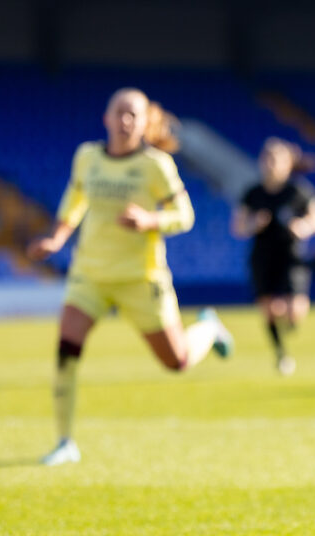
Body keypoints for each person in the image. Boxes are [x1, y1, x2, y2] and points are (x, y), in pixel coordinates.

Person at [27, 88, 233, 466]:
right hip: (89, 273)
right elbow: (75, 200)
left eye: (132, 115)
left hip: (141, 278)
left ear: (143, 123)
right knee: (66, 352)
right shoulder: (87, 157)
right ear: (105, 118)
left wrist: (150, 220)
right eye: (119, 113)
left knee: (177, 362)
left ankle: (207, 327)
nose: (124, 121)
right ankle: (64, 442)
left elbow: (185, 215)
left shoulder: (156, 164)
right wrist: (57, 237)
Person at [232, 138, 315, 374]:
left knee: (295, 310)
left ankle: (289, 325)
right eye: (267, 159)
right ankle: (281, 354)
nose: (271, 164)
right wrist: (253, 225)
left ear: (288, 164)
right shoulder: (252, 193)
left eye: (276, 159)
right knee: (268, 308)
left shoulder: (298, 191)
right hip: (263, 256)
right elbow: (238, 227)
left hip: (292, 256)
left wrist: (305, 225)